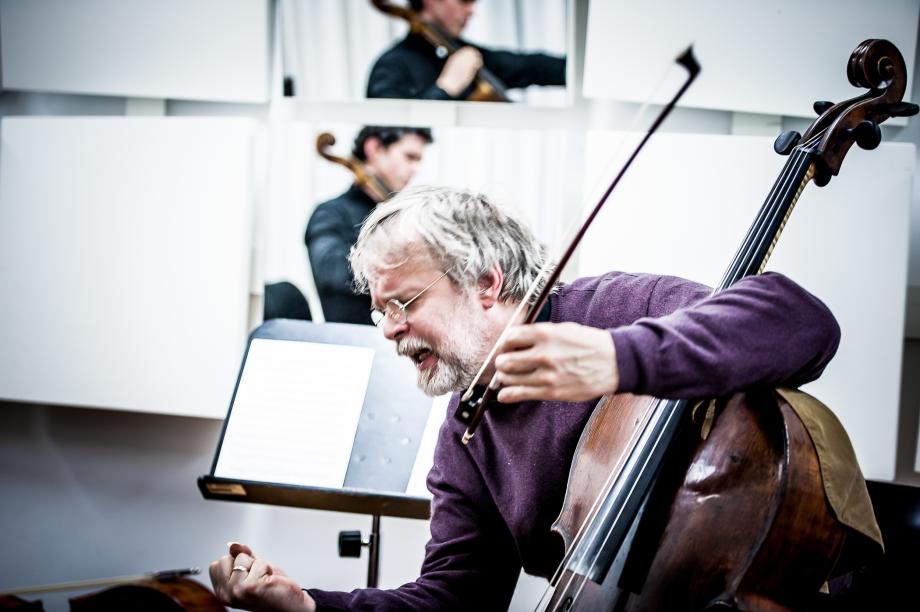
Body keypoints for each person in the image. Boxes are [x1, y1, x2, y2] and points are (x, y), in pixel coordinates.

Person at [212, 186, 861, 610]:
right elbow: (455, 598)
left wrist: (617, 358)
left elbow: (802, 323)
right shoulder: (467, 428)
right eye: (381, 311)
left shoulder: (614, 311)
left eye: (404, 302)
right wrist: (309, 605)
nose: (389, 329)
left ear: (486, 283)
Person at [305, 126, 432, 324]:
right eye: (409, 157)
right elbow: (331, 271)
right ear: (374, 149)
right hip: (355, 336)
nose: (415, 168)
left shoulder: (394, 215)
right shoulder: (330, 213)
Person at [367, 0, 566, 101]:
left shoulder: (465, 54)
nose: (472, 10)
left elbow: (533, 67)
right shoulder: (391, 66)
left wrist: (582, 71)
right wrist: (446, 88)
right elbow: (388, 134)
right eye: (464, 0)